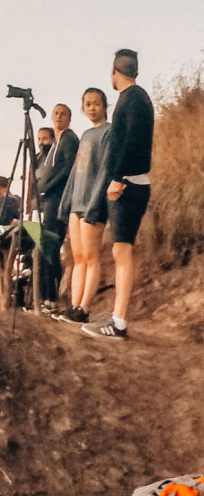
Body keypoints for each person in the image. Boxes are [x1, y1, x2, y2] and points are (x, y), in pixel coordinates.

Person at [87, 49, 155, 341]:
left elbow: (133, 142)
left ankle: (119, 323)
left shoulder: (133, 99)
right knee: (119, 251)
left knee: (122, 252)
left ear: (115, 71)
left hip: (129, 183)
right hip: (129, 181)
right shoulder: (134, 99)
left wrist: (118, 178)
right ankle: (118, 317)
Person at [58, 87, 112, 325]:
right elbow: (75, 173)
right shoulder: (86, 135)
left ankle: (85, 307)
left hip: (93, 204)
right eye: (87, 104)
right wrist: (66, 201)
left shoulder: (109, 133)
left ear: (105, 106)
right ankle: (74, 305)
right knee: (77, 258)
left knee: (91, 257)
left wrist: (94, 202)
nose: (92, 108)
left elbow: (106, 171)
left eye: (96, 103)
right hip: (76, 204)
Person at [36, 103, 79, 310]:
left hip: (59, 199)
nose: (59, 116)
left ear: (69, 118)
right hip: (49, 201)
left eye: (63, 114)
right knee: (47, 247)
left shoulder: (69, 138)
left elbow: (71, 168)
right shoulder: (56, 142)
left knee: (51, 246)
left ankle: (52, 298)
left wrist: (48, 186)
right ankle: (47, 296)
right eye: (56, 113)